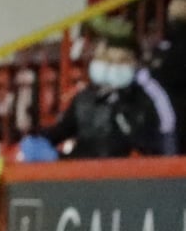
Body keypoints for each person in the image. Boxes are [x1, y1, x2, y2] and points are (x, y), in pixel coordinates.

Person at [37, 33, 169, 158]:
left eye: (121, 61)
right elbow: (63, 129)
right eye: (107, 60)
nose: (112, 66)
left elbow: (149, 143)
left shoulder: (144, 98)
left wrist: (122, 110)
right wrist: (38, 139)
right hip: (82, 165)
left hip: (122, 169)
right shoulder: (85, 97)